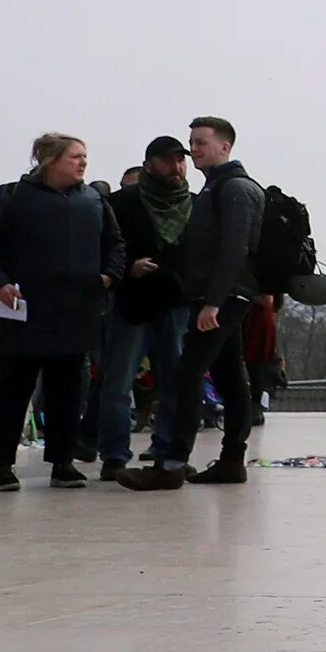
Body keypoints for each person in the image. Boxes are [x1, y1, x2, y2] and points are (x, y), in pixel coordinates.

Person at [118, 116, 267, 489]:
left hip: (224, 298)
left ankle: (172, 463)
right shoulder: (219, 188)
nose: (193, 150)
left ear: (225, 147)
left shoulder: (234, 190)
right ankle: (232, 460)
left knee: (187, 374)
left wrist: (213, 303)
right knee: (230, 378)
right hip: (220, 296)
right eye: (192, 142)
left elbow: (235, 250)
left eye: (200, 142)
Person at [0, 134, 121, 490]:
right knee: (13, 391)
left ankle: (62, 461)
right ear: (49, 160)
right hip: (22, 312)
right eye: (75, 157)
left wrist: (108, 276)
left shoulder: (93, 200)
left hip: (75, 311)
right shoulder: (10, 197)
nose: (83, 163)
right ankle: (1, 465)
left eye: (85, 157)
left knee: (67, 390)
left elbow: (115, 243)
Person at [96, 134, 195, 476]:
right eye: (169, 160)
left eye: (181, 160)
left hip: (177, 304)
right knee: (119, 381)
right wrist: (128, 268)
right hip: (132, 302)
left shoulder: (193, 203)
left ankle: (166, 447)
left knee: (174, 381)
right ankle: (114, 454)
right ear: (150, 163)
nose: (177, 167)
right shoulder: (122, 202)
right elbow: (106, 248)